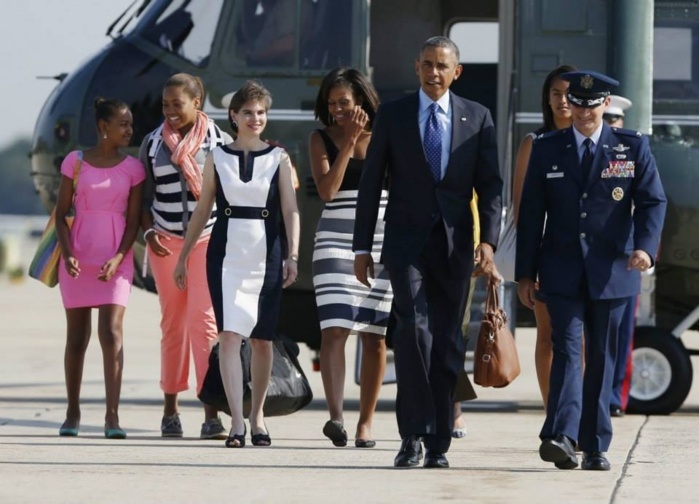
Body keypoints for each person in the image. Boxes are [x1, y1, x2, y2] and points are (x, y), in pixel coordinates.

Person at [353, 36, 503, 469]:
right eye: (428, 65)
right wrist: (362, 246)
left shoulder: (477, 117)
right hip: (405, 245)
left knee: (447, 342)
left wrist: (488, 243)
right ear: (417, 66)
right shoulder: (394, 115)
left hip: (457, 246)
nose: (434, 73)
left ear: (456, 72)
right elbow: (370, 184)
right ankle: (412, 436)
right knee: (412, 332)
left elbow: (490, 186)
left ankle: (439, 440)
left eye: (443, 66)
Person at [516, 71, 667, 471]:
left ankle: (595, 444)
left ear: (606, 105)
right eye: (577, 103)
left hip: (614, 270)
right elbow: (531, 214)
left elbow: (654, 201)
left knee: (601, 357)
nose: (583, 112)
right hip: (561, 268)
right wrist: (525, 273)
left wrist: (645, 250)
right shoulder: (548, 148)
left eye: (591, 104)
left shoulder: (630, 147)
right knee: (566, 351)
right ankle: (561, 436)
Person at [173, 80, 300, 448]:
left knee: (262, 341)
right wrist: (183, 256)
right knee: (229, 337)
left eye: (261, 112)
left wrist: (292, 255)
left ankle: (258, 416)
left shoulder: (279, 158)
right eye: (248, 112)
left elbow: (290, 210)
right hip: (226, 254)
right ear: (234, 116)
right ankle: (237, 423)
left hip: (268, 253)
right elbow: (202, 209)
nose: (255, 118)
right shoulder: (218, 157)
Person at [140, 73, 233, 439]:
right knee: (173, 323)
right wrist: (149, 233)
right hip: (165, 241)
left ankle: (210, 412)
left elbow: (229, 196)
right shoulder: (151, 144)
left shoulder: (220, 143)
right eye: (165, 105)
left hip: (207, 240)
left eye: (177, 104)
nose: (170, 111)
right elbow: (144, 200)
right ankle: (170, 411)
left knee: (204, 323)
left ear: (198, 102)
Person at [55, 97, 145, 439]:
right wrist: (68, 254)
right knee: (77, 338)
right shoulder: (74, 162)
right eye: (123, 124)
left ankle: (112, 416)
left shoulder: (133, 168)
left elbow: (134, 220)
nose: (129, 130)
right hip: (78, 256)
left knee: (111, 333)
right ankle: (72, 412)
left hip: (115, 260)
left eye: (130, 124)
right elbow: (62, 215)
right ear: (103, 127)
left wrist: (119, 257)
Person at [309, 67, 389, 448]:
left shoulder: (386, 135)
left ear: (361, 101)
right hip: (335, 239)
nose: (338, 110)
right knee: (335, 329)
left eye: (344, 102)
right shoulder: (321, 138)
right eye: (331, 104)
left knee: (375, 336)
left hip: (381, 237)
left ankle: (366, 424)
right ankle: (337, 417)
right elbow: (327, 191)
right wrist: (347, 142)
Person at [512, 64, 576, 407]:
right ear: (546, 99)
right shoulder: (533, 143)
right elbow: (522, 209)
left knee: (580, 340)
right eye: (555, 93)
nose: (562, 100)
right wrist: (528, 266)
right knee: (549, 336)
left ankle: (577, 414)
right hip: (546, 254)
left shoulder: (594, 141)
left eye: (569, 93)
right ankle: (554, 414)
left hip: (582, 257)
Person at [603, 94, 636, 417]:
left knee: (622, 334)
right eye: (607, 117)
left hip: (626, 258)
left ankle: (615, 397)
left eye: (615, 119)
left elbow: (649, 203)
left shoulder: (634, 151)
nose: (611, 124)